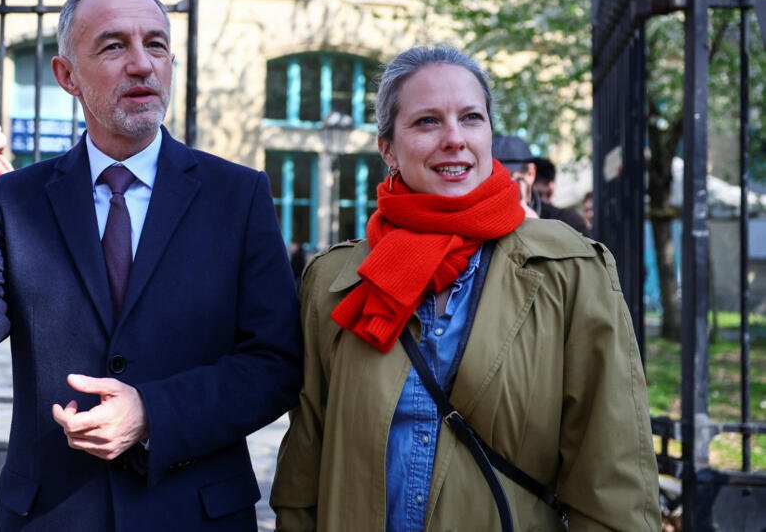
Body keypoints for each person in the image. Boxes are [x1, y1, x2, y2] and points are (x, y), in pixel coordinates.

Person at [0, 0, 302, 530]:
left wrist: (152, 414)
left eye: (156, 45)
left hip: (196, 513)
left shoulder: (238, 196)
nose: (142, 62)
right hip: (51, 514)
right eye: (114, 46)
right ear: (67, 76)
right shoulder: (14, 201)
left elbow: (276, 367)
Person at [270, 46, 660, 531]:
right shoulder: (334, 281)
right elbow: (304, 466)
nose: (454, 139)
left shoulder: (568, 267)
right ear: (388, 148)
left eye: (471, 118)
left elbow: (613, 472)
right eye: (428, 122)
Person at [492, 135, 591, 236]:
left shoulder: (567, 222)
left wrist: (537, 230)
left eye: (510, 177)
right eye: (493, 178)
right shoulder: (485, 222)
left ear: (530, 173)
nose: (501, 187)